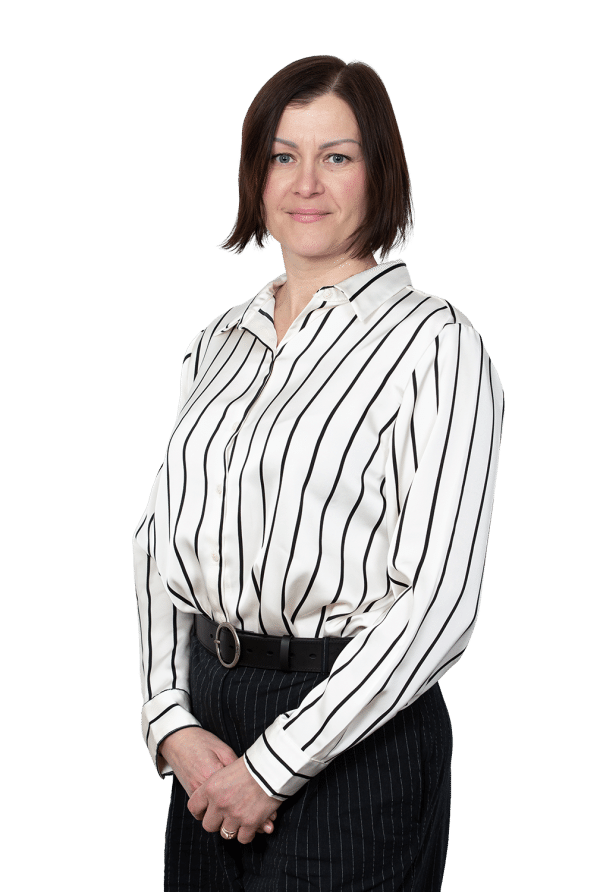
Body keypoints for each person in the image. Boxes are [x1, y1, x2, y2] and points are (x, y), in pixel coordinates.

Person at [132, 54, 504, 892]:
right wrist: (169, 719)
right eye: (282, 155)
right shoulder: (216, 344)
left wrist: (275, 765)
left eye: (337, 156)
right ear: (254, 174)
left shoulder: (437, 346)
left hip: (356, 736)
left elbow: (440, 603)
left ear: (381, 173)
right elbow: (160, 543)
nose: (305, 182)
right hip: (208, 729)